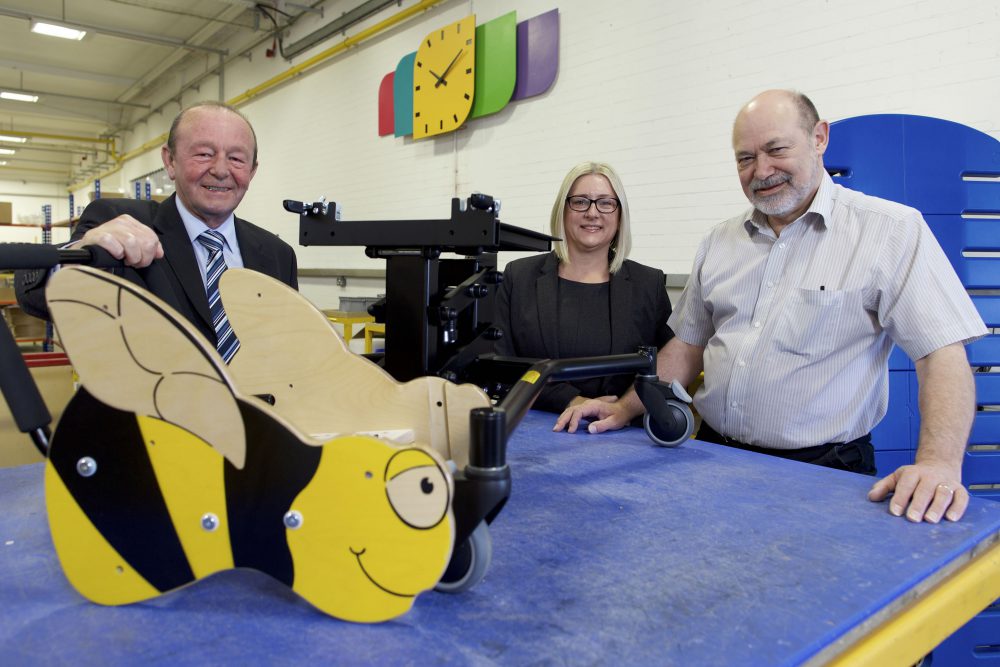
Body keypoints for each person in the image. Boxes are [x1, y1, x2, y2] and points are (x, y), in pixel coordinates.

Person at [555, 90, 986, 524]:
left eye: (776, 149)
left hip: (824, 473)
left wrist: (939, 463)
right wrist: (625, 408)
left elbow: (941, 354)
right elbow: (686, 348)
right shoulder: (719, 242)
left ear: (819, 138)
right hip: (713, 458)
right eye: (745, 158)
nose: (761, 171)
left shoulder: (890, 231)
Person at [16, 101, 297, 356]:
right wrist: (80, 255)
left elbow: (287, 347)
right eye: (204, 154)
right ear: (170, 161)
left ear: (252, 171)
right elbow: (33, 293)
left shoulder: (278, 255)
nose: (221, 170)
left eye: (236, 158)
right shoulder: (118, 222)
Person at [494, 161, 673, 413]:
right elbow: (500, 365)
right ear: (563, 211)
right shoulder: (519, 277)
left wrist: (624, 408)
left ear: (620, 216)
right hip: (537, 425)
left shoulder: (648, 284)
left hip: (622, 430)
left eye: (606, 203)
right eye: (580, 201)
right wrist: (571, 401)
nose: (592, 212)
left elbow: (668, 367)